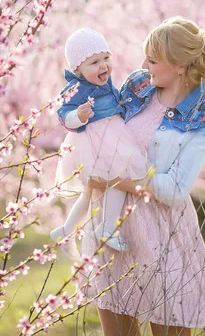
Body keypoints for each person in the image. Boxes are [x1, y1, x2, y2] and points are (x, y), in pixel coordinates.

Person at [82, 17, 205, 336]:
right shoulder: (139, 85)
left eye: (152, 60)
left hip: (163, 233)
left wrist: (115, 181)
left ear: (179, 65)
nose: (143, 65)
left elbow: (175, 189)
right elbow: (105, 134)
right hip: (113, 225)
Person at [50, 28, 148, 256]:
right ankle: (107, 227)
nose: (103, 66)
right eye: (94, 62)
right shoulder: (77, 89)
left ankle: (65, 230)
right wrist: (78, 116)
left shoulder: (105, 80)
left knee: (90, 192)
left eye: (106, 58)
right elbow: (63, 113)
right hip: (97, 141)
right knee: (118, 177)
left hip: (111, 134)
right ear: (78, 70)